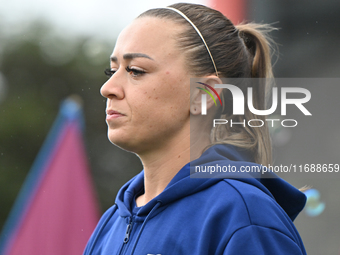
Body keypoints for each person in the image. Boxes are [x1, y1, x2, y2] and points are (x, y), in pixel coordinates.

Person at [83, 3, 307, 255]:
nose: (107, 88)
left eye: (135, 71)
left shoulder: (245, 217)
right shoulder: (110, 223)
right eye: (112, 70)